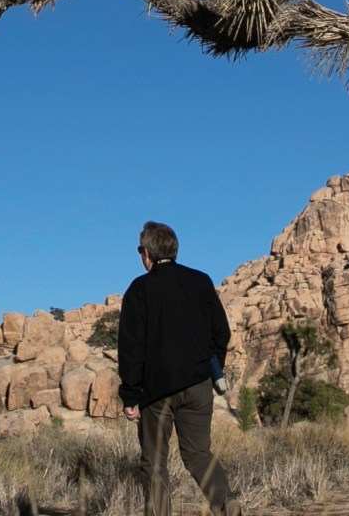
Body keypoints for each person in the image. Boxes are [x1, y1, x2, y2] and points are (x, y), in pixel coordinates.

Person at [118, 220, 238, 516]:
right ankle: (227, 506)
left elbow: (131, 348)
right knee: (199, 454)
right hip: (198, 386)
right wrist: (212, 369)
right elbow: (220, 333)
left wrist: (130, 396)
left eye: (140, 250)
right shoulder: (200, 281)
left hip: (157, 393)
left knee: (155, 463)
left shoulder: (140, 289)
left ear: (146, 252)